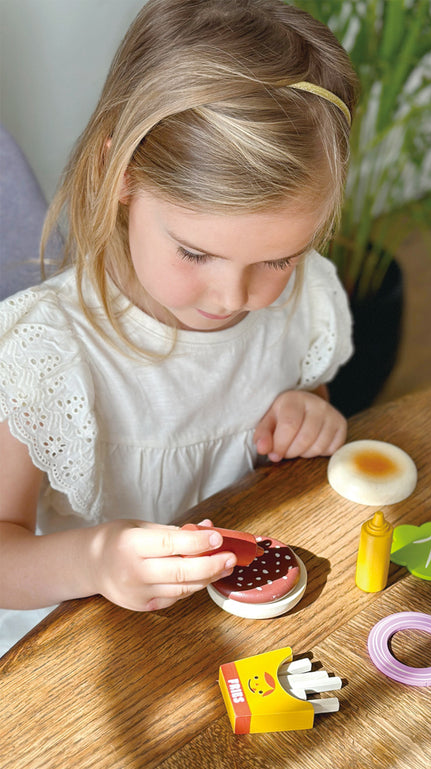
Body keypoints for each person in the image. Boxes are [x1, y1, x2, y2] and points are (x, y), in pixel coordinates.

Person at [0, 0, 358, 657]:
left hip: (224, 629)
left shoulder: (297, 299)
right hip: (76, 645)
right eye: (196, 253)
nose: (232, 296)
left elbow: (297, 400)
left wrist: (309, 411)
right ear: (124, 175)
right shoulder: (47, 352)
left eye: (277, 258)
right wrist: (97, 559)